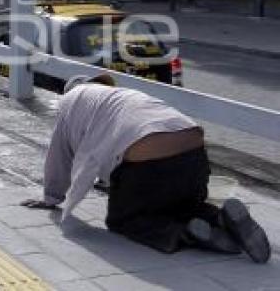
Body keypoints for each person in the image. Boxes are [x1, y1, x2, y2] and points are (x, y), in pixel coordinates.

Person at [21, 74, 270, 263]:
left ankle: (187, 235)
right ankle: (219, 218)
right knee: (182, 205)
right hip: (195, 153)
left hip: (150, 158)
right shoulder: (124, 96)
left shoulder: (70, 103)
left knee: (125, 219)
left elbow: (60, 156)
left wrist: (51, 197)